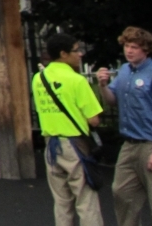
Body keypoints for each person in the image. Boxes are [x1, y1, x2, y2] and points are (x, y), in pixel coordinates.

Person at [31, 32, 104, 226]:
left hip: (51, 145)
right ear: (64, 54)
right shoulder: (77, 81)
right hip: (75, 145)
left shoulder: (39, 78)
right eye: (76, 50)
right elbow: (94, 120)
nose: (80, 54)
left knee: (62, 202)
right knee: (85, 200)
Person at [96, 26, 152, 226]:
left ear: (145, 50)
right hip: (129, 144)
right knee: (121, 191)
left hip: (150, 143)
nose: (129, 50)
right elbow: (112, 101)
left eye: (135, 47)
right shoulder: (124, 71)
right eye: (127, 46)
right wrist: (103, 86)